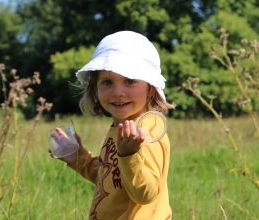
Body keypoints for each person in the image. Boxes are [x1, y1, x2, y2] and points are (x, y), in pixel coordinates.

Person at [49, 31, 175, 220]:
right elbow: (110, 179)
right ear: (95, 88)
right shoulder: (122, 126)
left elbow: (146, 194)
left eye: (130, 81)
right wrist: (78, 158)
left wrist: (130, 155)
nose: (117, 92)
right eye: (107, 82)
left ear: (151, 87)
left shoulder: (146, 131)